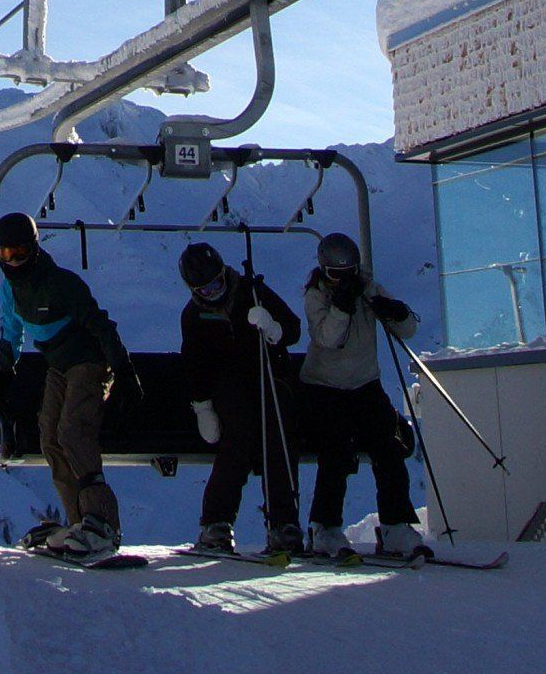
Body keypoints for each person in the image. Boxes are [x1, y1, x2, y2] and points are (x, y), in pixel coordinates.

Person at [0, 210, 128, 558]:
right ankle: (79, 523)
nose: (13, 261)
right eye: (6, 254)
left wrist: (122, 369)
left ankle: (102, 523)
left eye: (20, 252)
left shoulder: (61, 283)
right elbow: (12, 334)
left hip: (89, 361)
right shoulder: (11, 291)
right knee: (50, 437)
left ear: (34, 249)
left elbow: (101, 326)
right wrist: (1, 377)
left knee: (72, 433)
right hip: (58, 365)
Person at [299, 231, 427, 560]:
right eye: (335, 274)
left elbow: (408, 331)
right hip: (323, 388)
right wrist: (341, 307)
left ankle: (395, 525)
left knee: (389, 445)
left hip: (364, 385)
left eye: (349, 273)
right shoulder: (316, 295)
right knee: (336, 450)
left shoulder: (368, 289)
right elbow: (328, 338)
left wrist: (396, 312)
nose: (343, 281)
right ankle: (325, 527)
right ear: (324, 271)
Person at [176, 241, 302, 557]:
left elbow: (293, 329)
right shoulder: (194, 315)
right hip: (229, 387)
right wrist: (202, 406)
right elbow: (195, 365)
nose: (213, 293)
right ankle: (216, 522)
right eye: (204, 290)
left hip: (268, 377)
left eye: (217, 283)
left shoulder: (252, 293)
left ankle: (284, 523)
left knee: (277, 439)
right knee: (238, 439)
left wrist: (272, 328)